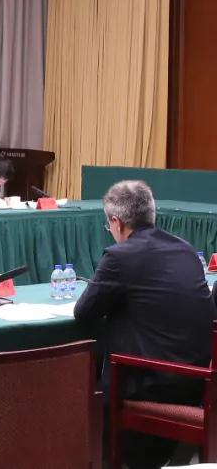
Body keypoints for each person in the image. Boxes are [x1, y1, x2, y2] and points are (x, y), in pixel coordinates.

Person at [74, 180, 216, 469]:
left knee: (83, 390)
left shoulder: (120, 256)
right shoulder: (185, 249)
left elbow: (84, 312)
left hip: (154, 384)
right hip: (200, 380)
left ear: (116, 222)